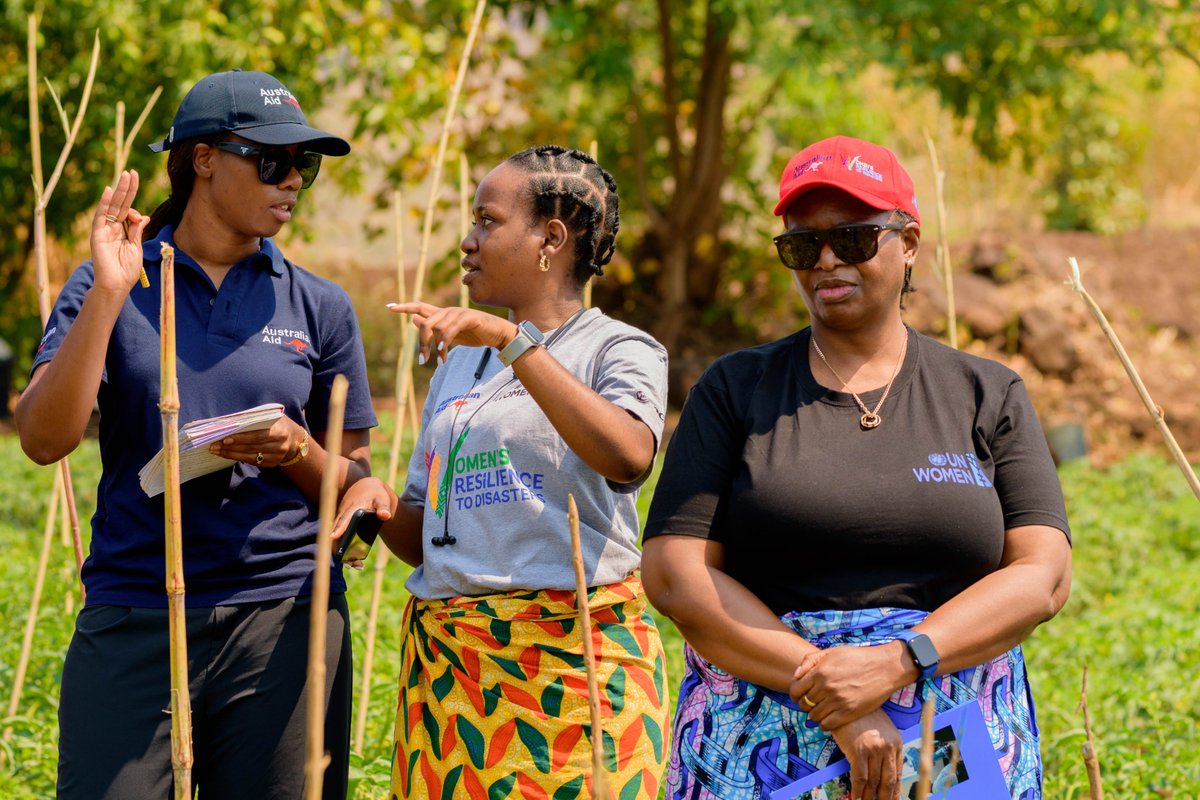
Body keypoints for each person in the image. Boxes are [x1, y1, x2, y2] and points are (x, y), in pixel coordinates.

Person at [641, 135, 1072, 800]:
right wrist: (830, 688)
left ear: (910, 244)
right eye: (803, 245)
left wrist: (899, 664)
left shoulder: (985, 393)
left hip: (950, 736)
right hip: (765, 739)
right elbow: (677, 575)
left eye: (854, 237)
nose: (827, 261)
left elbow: (1042, 575)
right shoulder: (734, 390)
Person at [15, 69, 376, 799]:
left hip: (282, 619)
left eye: (302, 165)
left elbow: (354, 481)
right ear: (203, 158)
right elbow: (43, 438)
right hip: (137, 609)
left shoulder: (319, 305)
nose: (293, 182)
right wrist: (111, 293)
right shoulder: (108, 283)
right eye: (273, 161)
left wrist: (296, 448)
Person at [333, 145, 670, 799]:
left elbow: (628, 455)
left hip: (575, 672)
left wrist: (511, 342)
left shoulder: (617, 347)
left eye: (487, 221)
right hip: (455, 676)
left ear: (551, 238)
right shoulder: (458, 368)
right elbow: (427, 537)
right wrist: (373, 498)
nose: (468, 240)